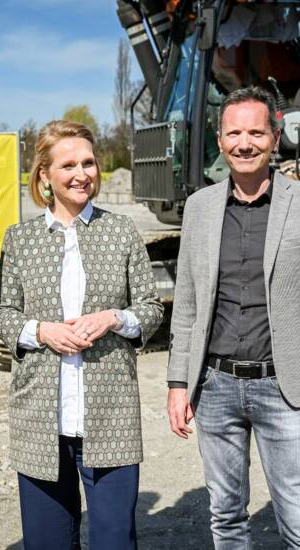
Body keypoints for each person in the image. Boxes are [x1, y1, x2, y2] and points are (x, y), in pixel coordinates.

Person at [0, 120, 163, 550]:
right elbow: (2, 315)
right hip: (40, 420)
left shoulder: (121, 231)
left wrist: (113, 319)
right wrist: (40, 331)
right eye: (68, 165)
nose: (82, 174)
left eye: (88, 163)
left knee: (114, 541)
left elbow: (151, 308)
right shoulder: (21, 239)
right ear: (44, 175)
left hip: (111, 416)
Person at [167, 86, 300, 548]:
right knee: (225, 516)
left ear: (275, 138)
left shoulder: (298, 203)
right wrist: (178, 384)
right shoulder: (200, 208)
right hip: (216, 387)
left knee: (297, 516)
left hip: (284, 387)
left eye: (256, 133)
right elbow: (187, 301)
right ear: (220, 140)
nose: (245, 144)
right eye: (234, 133)